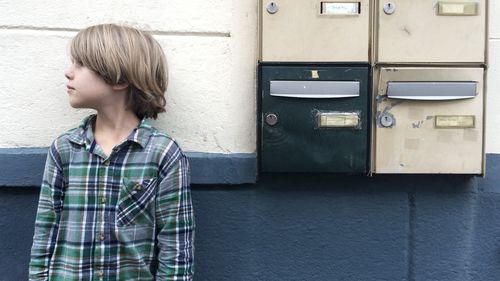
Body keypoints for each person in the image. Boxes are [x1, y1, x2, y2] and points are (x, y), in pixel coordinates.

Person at [28, 23, 195, 280]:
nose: (68, 73)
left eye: (81, 64)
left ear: (119, 79)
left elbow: (176, 248)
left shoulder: (163, 154)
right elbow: (45, 234)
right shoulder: (65, 149)